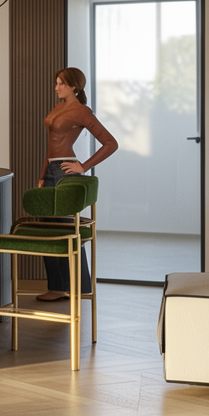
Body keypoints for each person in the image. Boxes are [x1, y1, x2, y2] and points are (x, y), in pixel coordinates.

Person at [35, 67, 118, 302]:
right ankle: (56, 287)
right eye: (56, 83)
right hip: (50, 172)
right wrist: (42, 175)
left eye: (61, 83)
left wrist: (83, 166)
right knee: (48, 230)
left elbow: (110, 143)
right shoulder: (57, 108)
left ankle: (79, 287)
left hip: (65, 171)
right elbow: (50, 145)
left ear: (74, 86)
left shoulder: (82, 112)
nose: (56, 88)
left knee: (67, 230)